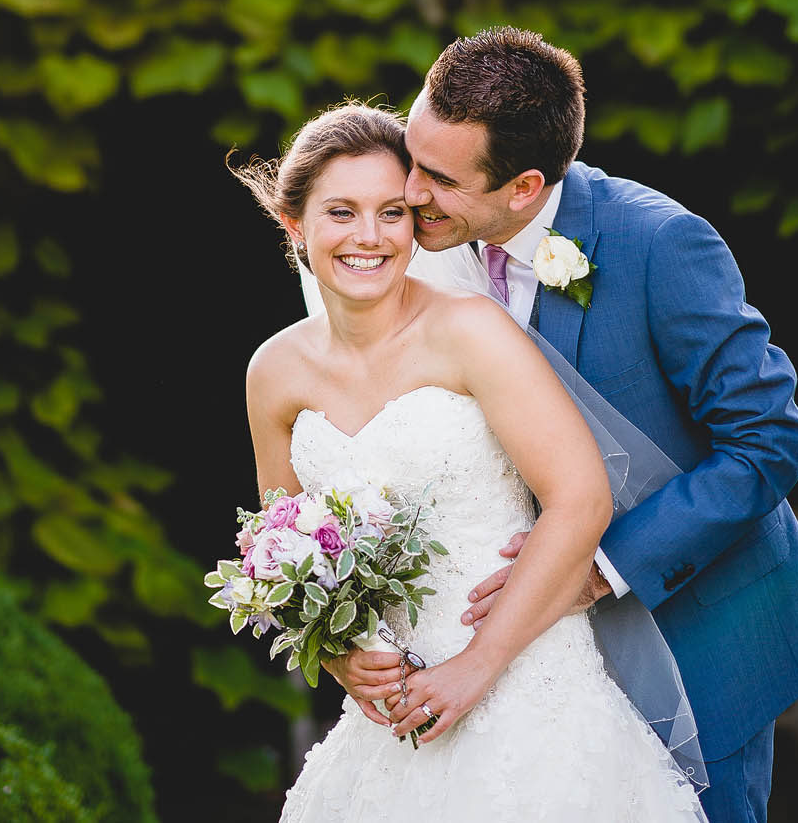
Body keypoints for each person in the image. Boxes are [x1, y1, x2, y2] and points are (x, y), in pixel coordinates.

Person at [323, 27, 798, 823]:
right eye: (412, 148)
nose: (409, 187)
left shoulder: (659, 244)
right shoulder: (416, 248)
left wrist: (601, 565)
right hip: (519, 661)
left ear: (524, 186)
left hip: (692, 631)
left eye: (437, 175)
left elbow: (770, 440)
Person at [236, 102, 708, 822]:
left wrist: (475, 667)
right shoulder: (273, 371)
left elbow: (582, 497)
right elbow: (285, 544)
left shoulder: (470, 333)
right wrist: (340, 658)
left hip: (526, 690)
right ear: (295, 225)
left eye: (391, 212)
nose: (369, 236)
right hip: (393, 720)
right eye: (341, 212)